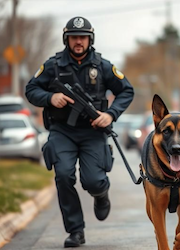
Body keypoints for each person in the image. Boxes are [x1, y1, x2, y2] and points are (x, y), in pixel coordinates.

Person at [25, 16, 134, 247]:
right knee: (63, 175)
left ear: (89, 39)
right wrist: (50, 97)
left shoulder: (102, 66)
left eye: (82, 38)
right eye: (74, 37)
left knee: (93, 181)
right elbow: (31, 89)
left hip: (93, 132)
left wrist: (110, 114)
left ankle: (101, 194)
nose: (78, 42)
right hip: (62, 131)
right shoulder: (53, 65)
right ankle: (76, 231)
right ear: (67, 39)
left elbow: (126, 91)